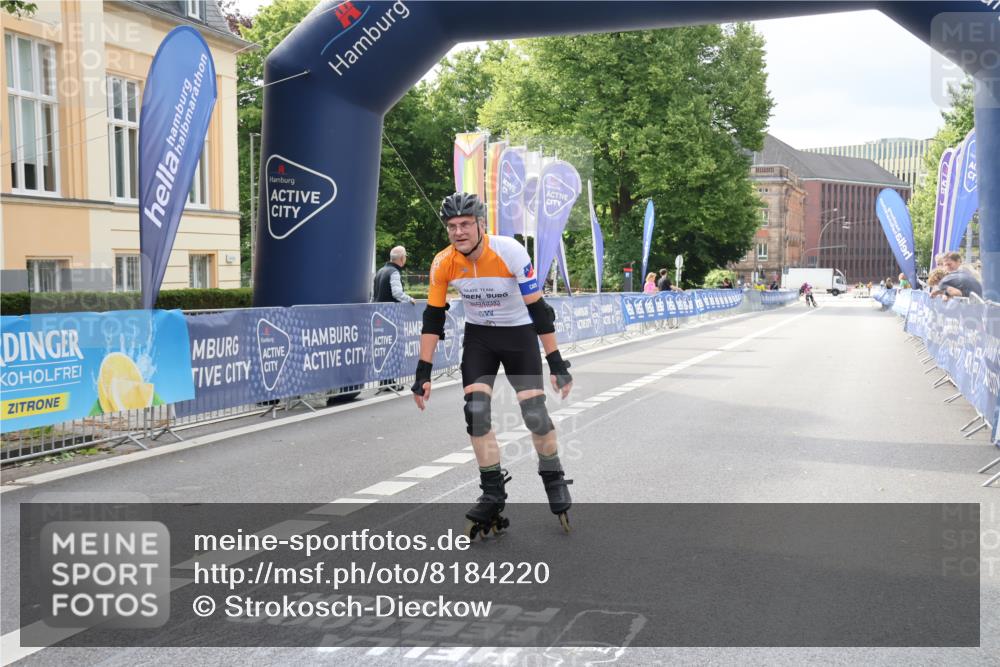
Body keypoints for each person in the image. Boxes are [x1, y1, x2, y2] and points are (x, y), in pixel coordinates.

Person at [412, 193, 575, 537]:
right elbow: (432, 320)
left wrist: (556, 363)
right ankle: (492, 492)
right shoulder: (443, 263)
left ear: (481, 225)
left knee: (534, 413)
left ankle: (552, 474)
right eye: (452, 226)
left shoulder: (510, 251)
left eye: (466, 225)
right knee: (476, 411)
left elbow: (539, 311)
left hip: (518, 337)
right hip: (481, 339)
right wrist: (422, 372)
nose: (458, 232)